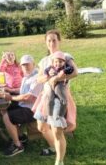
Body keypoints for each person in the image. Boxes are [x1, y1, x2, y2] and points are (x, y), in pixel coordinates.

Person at [33, 29, 78, 165]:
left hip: (59, 98)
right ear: (46, 43)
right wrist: (48, 77)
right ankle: (54, 147)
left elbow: (75, 72)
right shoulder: (44, 61)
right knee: (41, 127)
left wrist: (58, 77)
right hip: (45, 97)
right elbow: (39, 79)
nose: (51, 43)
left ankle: (59, 161)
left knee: (57, 130)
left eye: (54, 40)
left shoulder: (65, 56)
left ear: (59, 41)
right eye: (49, 40)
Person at [0, 54, 43, 156]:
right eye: (23, 65)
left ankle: (18, 145)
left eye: (27, 64)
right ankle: (21, 136)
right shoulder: (27, 75)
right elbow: (23, 90)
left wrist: (10, 97)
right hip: (25, 104)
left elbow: (28, 97)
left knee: (6, 116)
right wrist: (11, 90)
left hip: (33, 109)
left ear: (33, 64)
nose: (25, 67)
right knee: (3, 108)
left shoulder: (37, 78)